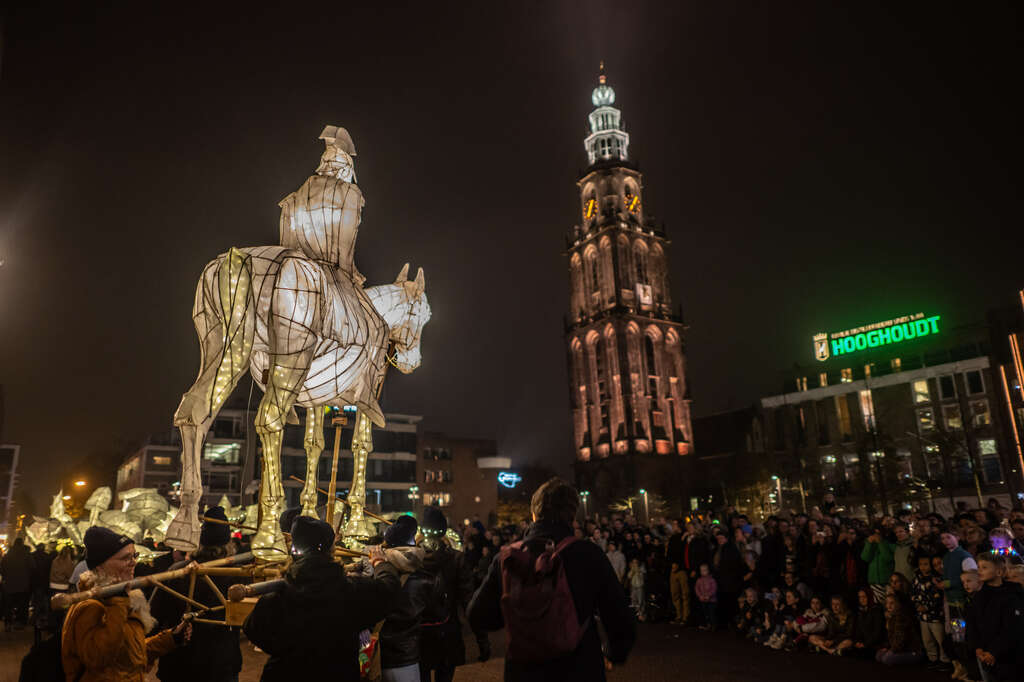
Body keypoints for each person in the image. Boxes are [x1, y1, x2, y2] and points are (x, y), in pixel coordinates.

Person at [468, 477, 635, 682]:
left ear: (534, 514)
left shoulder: (508, 558)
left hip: (524, 671)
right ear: (572, 516)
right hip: (579, 669)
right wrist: (612, 654)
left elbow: (477, 615)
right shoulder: (588, 555)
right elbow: (620, 618)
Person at [243, 516, 400, 681]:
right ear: (330, 550)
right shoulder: (351, 591)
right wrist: (381, 564)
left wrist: (288, 649)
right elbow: (388, 591)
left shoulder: (278, 597)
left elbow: (253, 629)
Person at [62, 527, 191, 681]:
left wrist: (171, 638)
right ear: (99, 566)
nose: (133, 563)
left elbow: (129, 654)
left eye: (134, 556)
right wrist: (118, 604)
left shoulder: (125, 600)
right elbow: (98, 659)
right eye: (125, 558)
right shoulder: (91, 606)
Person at [152, 507, 243, 682]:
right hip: (220, 664)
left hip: (179, 662)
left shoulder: (176, 572)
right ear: (229, 545)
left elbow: (155, 616)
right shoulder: (238, 575)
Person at [417, 506, 475, 682]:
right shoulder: (456, 558)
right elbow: (468, 597)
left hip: (419, 630)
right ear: (443, 530)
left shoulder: (412, 557)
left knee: (423, 674)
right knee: (445, 675)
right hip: (448, 628)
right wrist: (481, 639)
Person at [379, 515, 431, 682]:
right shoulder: (426, 577)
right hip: (408, 655)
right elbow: (435, 612)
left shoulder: (377, 571)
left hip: (380, 653)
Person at [966, 552, 1024, 681]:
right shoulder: (979, 597)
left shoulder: (1012, 594)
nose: (979, 570)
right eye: (978, 567)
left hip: (1010, 655)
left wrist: (994, 651)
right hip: (986, 653)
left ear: (999, 572)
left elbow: (1012, 627)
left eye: (984, 567)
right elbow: (972, 622)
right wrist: (977, 647)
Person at [911, 554, 949, 670]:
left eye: (926, 564)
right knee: (927, 639)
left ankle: (945, 659)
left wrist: (927, 607)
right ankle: (932, 658)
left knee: (940, 638)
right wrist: (917, 604)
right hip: (923, 616)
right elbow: (913, 593)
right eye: (921, 565)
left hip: (935, 615)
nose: (923, 567)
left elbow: (938, 597)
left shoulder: (936, 579)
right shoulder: (917, 579)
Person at [875, 594, 922, 665]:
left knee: (886, 658)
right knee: (879, 655)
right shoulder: (892, 617)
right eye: (887, 603)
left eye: (892, 603)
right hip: (900, 649)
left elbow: (900, 640)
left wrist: (891, 650)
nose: (889, 606)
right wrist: (887, 647)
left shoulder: (901, 617)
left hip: (911, 650)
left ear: (898, 604)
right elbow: (891, 637)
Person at [861, 525, 895, 603]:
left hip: (887, 581)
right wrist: (869, 544)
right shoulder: (869, 543)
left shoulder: (889, 543)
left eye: (878, 533)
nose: (876, 535)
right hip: (874, 582)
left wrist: (880, 543)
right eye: (874, 533)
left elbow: (888, 558)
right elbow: (865, 558)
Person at [664, 520, 689, 625]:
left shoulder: (684, 537)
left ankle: (686, 616)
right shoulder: (673, 538)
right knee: (675, 594)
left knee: (685, 594)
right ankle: (678, 615)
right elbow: (669, 553)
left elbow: (684, 552)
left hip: (682, 569)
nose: (673, 526)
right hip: (673, 568)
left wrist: (678, 564)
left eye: (674, 524)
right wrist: (672, 564)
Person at [849, 588, 885, 659]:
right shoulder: (860, 611)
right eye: (860, 597)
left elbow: (877, 632)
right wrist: (857, 641)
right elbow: (858, 629)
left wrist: (865, 644)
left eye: (864, 597)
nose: (862, 599)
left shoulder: (876, 610)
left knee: (864, 653)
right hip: (864, 642)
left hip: (874, 643)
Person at [694, 563, 717, 631]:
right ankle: (707, 625)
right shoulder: (699, 580)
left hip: (711, 601)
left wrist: (709, 596)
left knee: (712, 613)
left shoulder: (711, 580)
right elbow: (697, 589)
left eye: (705, 570)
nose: (703, 572)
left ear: (708, 571)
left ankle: (714, 625)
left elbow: (714, 589)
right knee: (705, 613)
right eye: (702, 570)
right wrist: (700, 596)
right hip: (703, 600)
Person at [626, 558, 646, 622]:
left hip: (639, 586)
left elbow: (643, 575)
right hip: (633, 586)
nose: (634, 564)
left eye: (636, 562)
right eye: (633, 562)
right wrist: (632, 570)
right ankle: (635, 615)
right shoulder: (632, 569)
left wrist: (638, 570)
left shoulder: (641, 569)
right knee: (633, 600)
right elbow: (629, 576)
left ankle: (641, 615)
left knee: (640, 601)